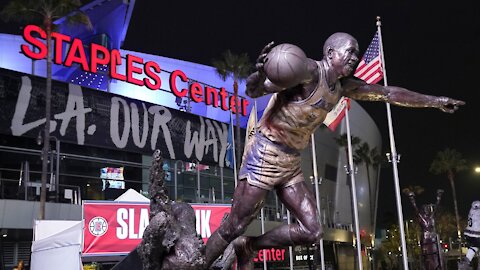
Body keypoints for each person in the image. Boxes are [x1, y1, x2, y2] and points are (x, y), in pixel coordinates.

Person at [205, 32, 465, 269]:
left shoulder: (343, 87)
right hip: (265, 152)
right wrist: (260, 74)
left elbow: (387, 93)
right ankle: (194, 264)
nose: (354, 57)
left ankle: (249, 246)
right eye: (349, 51)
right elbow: (256, 90)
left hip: (290, 161)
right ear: (330, 54)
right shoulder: (307, 70)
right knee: (234, 225)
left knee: (312, 230)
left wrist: (436, 101)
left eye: (356, 52)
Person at [459, 201, 480, 269]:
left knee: (474, 247)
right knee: (476, 245)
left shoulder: (471, 210)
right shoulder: (478, 212)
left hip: (468, 235)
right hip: (476, 235)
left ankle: (465, 262)